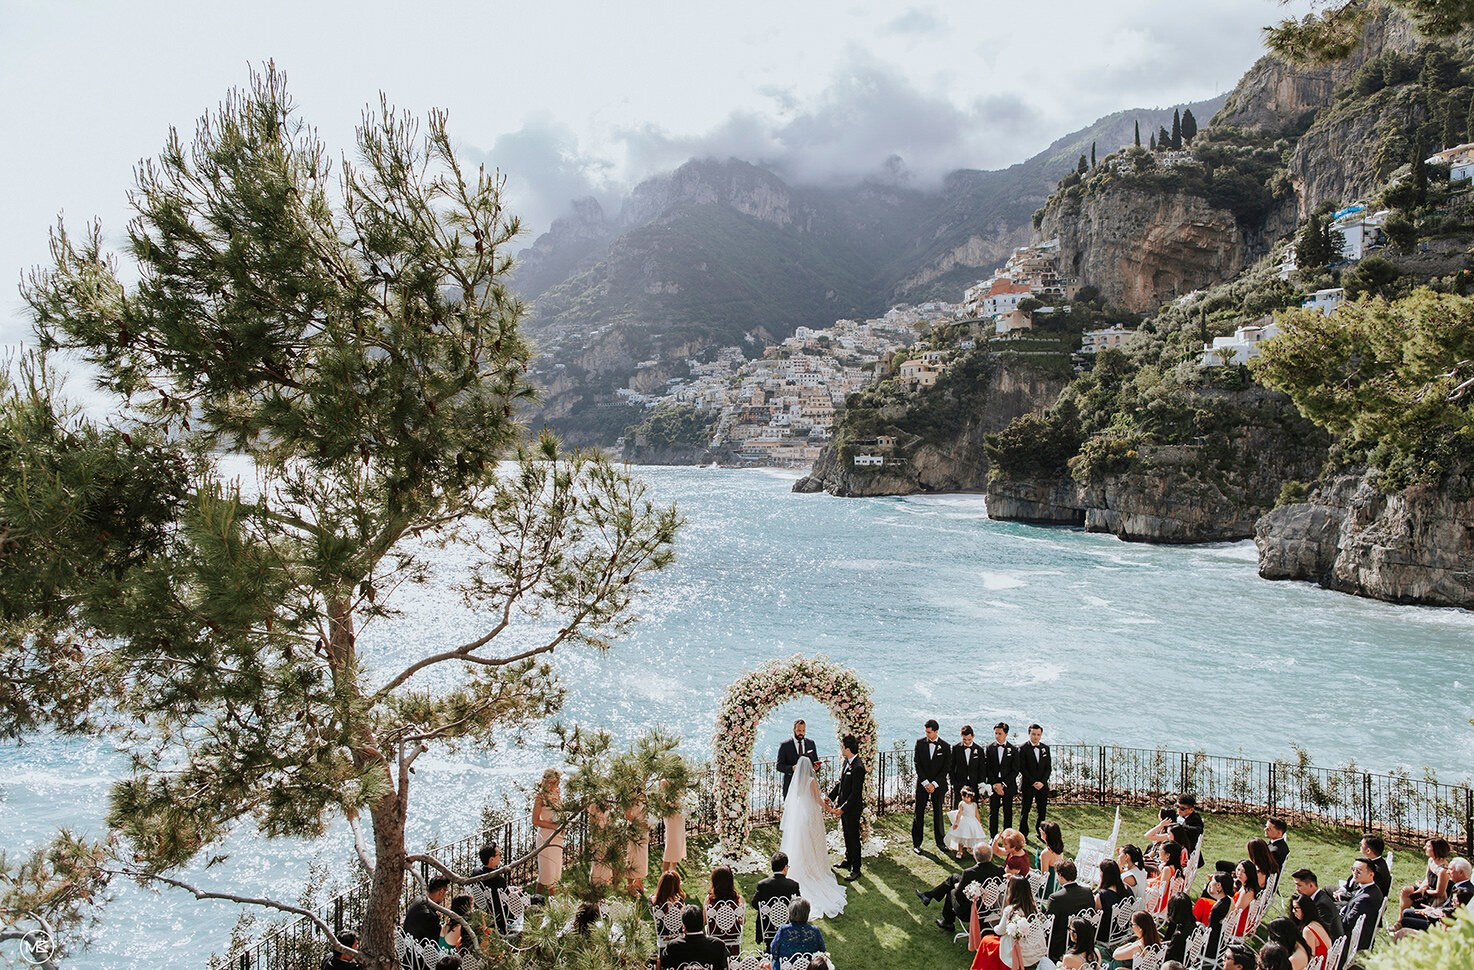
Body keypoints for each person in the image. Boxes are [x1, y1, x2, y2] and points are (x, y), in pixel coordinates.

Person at [781, 752, 847, 916]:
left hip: (800, 817)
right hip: (811, 815)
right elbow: (817, 799)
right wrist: (830, 809)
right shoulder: (811, 780)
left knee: (802, 843)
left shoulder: (798, 781)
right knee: (814, 841)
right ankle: (814, 868)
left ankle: (803, 865)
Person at [916, 842, 1005, 935]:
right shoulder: (1000, 870)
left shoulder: (970, 873)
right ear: (990, 856)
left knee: (952, 891)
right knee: (954, 877)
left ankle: (948, 922)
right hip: (990, 909)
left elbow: (959, 896)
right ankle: (929, 896)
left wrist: (957, 887)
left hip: (971, 911)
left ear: (975, 856)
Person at [969, 874, 1041, 970]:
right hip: (1033, 948)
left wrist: (995, 926)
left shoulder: (1010, 910)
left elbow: (1000, 931)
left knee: (987, 941)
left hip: (1016, 949)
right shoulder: (1033, 906)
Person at [1394, 856, 1473, 934]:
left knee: (1406, 920)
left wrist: (1432, 913)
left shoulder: (1465, 891)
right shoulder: (1457, 885)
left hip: (1442, 923)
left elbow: (1454, 914)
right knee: (1407, 912)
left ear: (1461, 873)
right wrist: (1431, 910)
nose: (1448, 872)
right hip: (1437, 913)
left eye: (1451, 869)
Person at [826, 734, 865, 881]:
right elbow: (841, 784)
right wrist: (830, 797)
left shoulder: (858, 767)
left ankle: (856, 868)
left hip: (852, 809)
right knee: (847, 835)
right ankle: (848, 860)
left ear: (847, 749)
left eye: (842, 746)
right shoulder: (846, 762)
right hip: (844, 807)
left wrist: (842, 808)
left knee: (853, 837)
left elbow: (855, 794)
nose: (841, 748)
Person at [912, 718, 951, 853]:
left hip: (938, 785)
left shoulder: (945, 747)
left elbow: (946, 768)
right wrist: (925, 782)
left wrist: (934, 783)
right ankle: (917, 844)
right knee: (919, 812)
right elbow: (917, 763)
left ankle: (940, 842)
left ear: (936, 731)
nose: (927, 734)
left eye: (929, 732)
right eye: (926, 732)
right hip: (923, 784)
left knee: (938, 813)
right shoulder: (920, 743)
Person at [1045, 859, 1095, 963]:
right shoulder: (1088, 892)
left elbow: (1048, 924)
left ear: (1060, 875)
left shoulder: (1055, 898)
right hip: (1084, 938)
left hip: (1061, 944)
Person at [752, 852, 802, 946]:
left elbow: (755, 904)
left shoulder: (763, 885)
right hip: (787, 927)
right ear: (785, 867)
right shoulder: (793, 885)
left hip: (768, 928)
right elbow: (799, 906)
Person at [661, 903, 730, 970]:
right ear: (702, 923)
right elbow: (727, 964)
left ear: (683, 927)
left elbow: (664, 963)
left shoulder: (673, 946)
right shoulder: (718, 945)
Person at [1338, 858, 1385, 952]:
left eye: (1358, 871)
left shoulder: (1366, 899)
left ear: (1371, 874)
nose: (1354, 873)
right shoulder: (1370, 888)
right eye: (1353, 869)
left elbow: (1348, 923)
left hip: (1350, 939)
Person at [1397, 837, 1452, 914]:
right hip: (1427, 891)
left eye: (1428, 846)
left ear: (1436, 849)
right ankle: (1400, 920)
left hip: (1435, 899)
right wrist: (1421, 887)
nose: (1424, 848)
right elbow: (1427, 879)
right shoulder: (1431, 860)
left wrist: (1424, 891)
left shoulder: (1443, 870)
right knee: (1406, 890)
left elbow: (1439, 893)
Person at [983, 722, 1018, 837]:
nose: (997, 736)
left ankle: (1008, 836)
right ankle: (993, 836)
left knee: (1007, 812)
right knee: (993, 812)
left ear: (1006, 734)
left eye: (1000, 733)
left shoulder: (1013, 750)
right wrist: (995, 784)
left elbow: (1015, 770)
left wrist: (1003, 784)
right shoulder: (989, 748)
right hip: (994, 786)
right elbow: (987, 768)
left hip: (1007, 786)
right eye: (996, 733)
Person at [769, 897, 827, 966]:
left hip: (785, 966)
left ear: (791, 912)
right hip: (808, 967)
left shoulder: (784, 929)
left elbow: (773, 948)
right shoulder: (815, 931)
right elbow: (822, 950)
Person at [532, 769, 564, 894]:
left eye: (557, 783)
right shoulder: (540, 797)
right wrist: (552, 826)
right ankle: (554, 905)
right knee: (547, 870)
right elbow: (535, 820)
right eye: (553, 783)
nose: (556, 786)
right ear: (546, 782)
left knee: (552, 870)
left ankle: (536, 899)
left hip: (558, 836)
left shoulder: (557, 793)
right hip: (545, 836)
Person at [1289, 869, 1343, 940]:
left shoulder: (1322, 905)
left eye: (1299, 885)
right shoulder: (1317, 898)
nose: (1296, 889)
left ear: (1311, 885)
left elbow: (1321, 932)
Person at [1019, 723, 1052, 836]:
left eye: (1038, 734)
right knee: (1025, 811)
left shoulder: (1045, 748)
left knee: (1042, 811)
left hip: (1042, 786)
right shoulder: (1023, 748)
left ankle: (1040, 832)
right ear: (1029, 734)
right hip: (1028, 785)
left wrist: (1042, 782)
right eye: (1033, 734)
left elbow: (1048, 768)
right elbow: (1022, 768)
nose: (1036, 737)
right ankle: (1023, 834)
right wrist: (1033, 782)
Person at [470, 844, 509, 934]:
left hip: (483, 913)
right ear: (492, 859)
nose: (500, 857)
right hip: (500, 919)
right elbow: (507, 900)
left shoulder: (476, 873)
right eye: (499, 854)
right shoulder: (498, 880)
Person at [1338, 835, 1391, 902]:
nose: (1359, 846)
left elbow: (1366, 892)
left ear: (1368, 851)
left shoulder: (1375, 871)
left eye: (1361, 845)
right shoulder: (1379, 862)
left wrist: (1341, 896)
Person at [705, 865, 743, 955]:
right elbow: (742, 920)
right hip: (733, 935)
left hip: (715, 935)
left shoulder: (709, 900)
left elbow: (705, 920)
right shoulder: (737, 899)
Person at [776, 719, 819, 798]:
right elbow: (779, 766)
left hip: (807, 785)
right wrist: (792, 768)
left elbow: (815, 761)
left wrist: (816, 767)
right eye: (799, 730)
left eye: (803, 730)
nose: (801, 733)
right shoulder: (785, 745)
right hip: (790, 785)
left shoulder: (811, 743)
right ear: (794, 730)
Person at [403, 876, 450, 943]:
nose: (444, 896)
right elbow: (436, 943)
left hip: (408, 945)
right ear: (441, 892)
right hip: (419, 951)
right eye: (445, 893)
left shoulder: (418, 899)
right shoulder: (430, 916)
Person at [1288, 893, 1332, 964]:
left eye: (1296, 908)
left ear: (1305, 909)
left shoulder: (1308, 930)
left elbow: (1309, 960)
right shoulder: (1317, 923)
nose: (1293, 911)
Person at [1094, 859, 1130, 940]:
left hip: (1105, 935)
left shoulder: (1101, 896)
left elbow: (1095, 919)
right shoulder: (1126, 889)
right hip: (1122, 931)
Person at [953, 725, 987, 809]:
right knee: (958, 809)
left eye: (969, 739)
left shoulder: (979, 750)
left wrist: (981, 784)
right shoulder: (956, 748)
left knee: (973, 809)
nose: (967, 742)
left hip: (974, 784)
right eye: (964, 739)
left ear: (973, 736)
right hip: (960, 783)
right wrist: (953, 782)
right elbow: (951, 766)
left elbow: (982, 768)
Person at [948, 787, 988, 858]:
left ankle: (970, 848)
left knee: (972, 835)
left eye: (968, 797)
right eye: (964, 797)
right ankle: (960, 850)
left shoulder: (974, 804)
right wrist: (957, 822)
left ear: (971, 797)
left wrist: (979, 823)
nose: (966, 799)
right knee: (962, 836)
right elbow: (959, 813)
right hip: (964, 821)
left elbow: (977, 814)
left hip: (972, 821)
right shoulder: (962, 804)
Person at [1225, 859, 1260, 939]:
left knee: (1204, 903)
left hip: (1236, 926)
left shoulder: (1247, 892)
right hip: (1236, 921)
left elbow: (1235, 912)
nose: (1239, 873)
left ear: (1249, 874)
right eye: (1238, 869)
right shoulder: (1246, 886)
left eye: (1243, 872)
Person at [1160, 893, 1196, 965]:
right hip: (1187, 959)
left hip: (1174, 964)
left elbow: (1168, 956)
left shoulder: (1178, 934)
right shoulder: (1192, 924)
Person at [624, 800, 650, 895]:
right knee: (633, 857)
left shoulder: (643, 792)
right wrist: (640, 824)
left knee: (641, 858)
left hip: (643, 830)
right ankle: (629, 885)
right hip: (635, 829)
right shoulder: (631, 794)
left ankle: (638, 881)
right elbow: (627, 815)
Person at [662, 781, 687, 875]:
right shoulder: (664, 781)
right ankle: (664, 875)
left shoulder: (680, 779)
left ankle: (673, 873)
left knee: (678, 844)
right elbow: (663, 799)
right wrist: (675, 805)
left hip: (680, 816)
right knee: (671, 845)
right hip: (671, 816)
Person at [1037, 821, 1066, 896]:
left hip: (1046, 889)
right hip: (1056, 887)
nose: (1039, 830)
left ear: (1046, 834)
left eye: (1041, 830)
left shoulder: (1045, 853)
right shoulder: (1059, 849)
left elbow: (1044, 877)